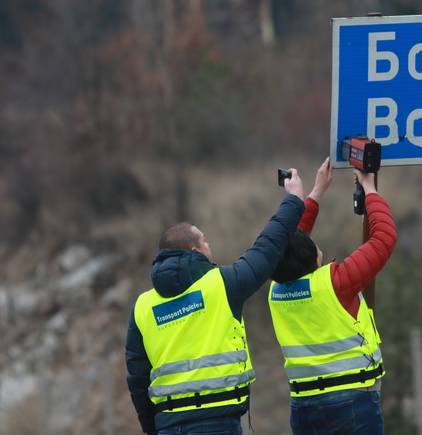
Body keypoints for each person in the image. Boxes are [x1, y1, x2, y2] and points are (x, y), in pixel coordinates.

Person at [126, 169, 306, 435]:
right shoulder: (221, 284)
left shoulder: (142, 307)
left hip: (168, 426)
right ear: (195, 251)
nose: (209, 244)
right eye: (204, 239)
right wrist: (294, 200)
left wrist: (154, 429)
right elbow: (267, 249)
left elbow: (138, 380)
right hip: (217, 423)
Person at [267, 157, 398, 435]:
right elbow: (383, 238)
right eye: (315, 246)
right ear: (313, 256)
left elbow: (289, 245)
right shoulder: (335, 283)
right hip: (351, 403)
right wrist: (370, 188)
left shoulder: (276, 290)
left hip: (303, 406)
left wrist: (315, 193)